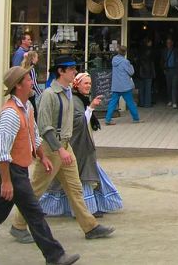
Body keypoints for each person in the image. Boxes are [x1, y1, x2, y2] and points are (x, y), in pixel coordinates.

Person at [0, 67, 80, 265]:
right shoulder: (10, 114)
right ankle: (55, 255)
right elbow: (1, 151)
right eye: (28, 79)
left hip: (18, 169)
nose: (32, 82)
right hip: (12, 170)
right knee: (34, 212)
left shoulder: (27, 108)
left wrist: (42, 156)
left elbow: (33, 135)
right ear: (18, 85)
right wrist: (6, 181)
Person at [9, 55, 114, 244]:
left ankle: (90, 226)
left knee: (75, 189)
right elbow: (45, 126)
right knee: (37, 189)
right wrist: (59, 149)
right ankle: (18, 225)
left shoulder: (67, 93)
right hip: (51, 148)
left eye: (75, 68)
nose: (74, 71)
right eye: (71, 68)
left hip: (65, 147)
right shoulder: (49, 95)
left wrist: (65, 148)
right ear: (61, 71)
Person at [40, 72, 122, 217]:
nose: (88, 86)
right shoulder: (75, 100)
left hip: (83, 146)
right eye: (86, 83)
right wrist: (90, 108)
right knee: (76, 177)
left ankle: (86, 209)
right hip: (76, 147)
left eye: (90, 83)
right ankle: (82, 211)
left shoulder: (80, 99)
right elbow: (77, 122)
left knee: (82, 176)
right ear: (77, 85)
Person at [105, 46, 141, 125]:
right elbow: (131, 72)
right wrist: (131, 65)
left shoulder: (114, 60)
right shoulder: (125, 62)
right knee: (130, 102)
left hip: (116, 85)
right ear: (125, 53)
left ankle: (108, 119)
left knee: (113, 102)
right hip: (125, 86)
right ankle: (136, 118)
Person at [161, 38, 178, 109]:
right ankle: (170, 100)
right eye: (167, 43)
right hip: (168, 70)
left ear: (172, 43)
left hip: (175, 70)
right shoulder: (164, 51)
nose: (168, 44)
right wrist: (163, 69)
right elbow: (162, 61)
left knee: (174, 86)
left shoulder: (176, 51)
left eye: (170, 42)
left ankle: (174, 102)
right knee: (169, 86)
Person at [21, 50, 43, 115]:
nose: (37, 59)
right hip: (30, 93)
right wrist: (40, 94)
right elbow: (34, 83)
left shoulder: (24, 67)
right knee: (34, 112)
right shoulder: (32, 68)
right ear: (33, 58)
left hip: (25, 92)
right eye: (37, 57)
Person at [136, 38, 155, 107]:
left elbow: (138, 62)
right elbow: (152, 61)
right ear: (148, 43)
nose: (151, 43)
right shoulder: (150, 51)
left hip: (141, 72)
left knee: (142, 88)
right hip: (148, 72)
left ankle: (141, 103)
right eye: (150, 42)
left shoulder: (140, 51)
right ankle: (147, 103)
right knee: (148, 88)